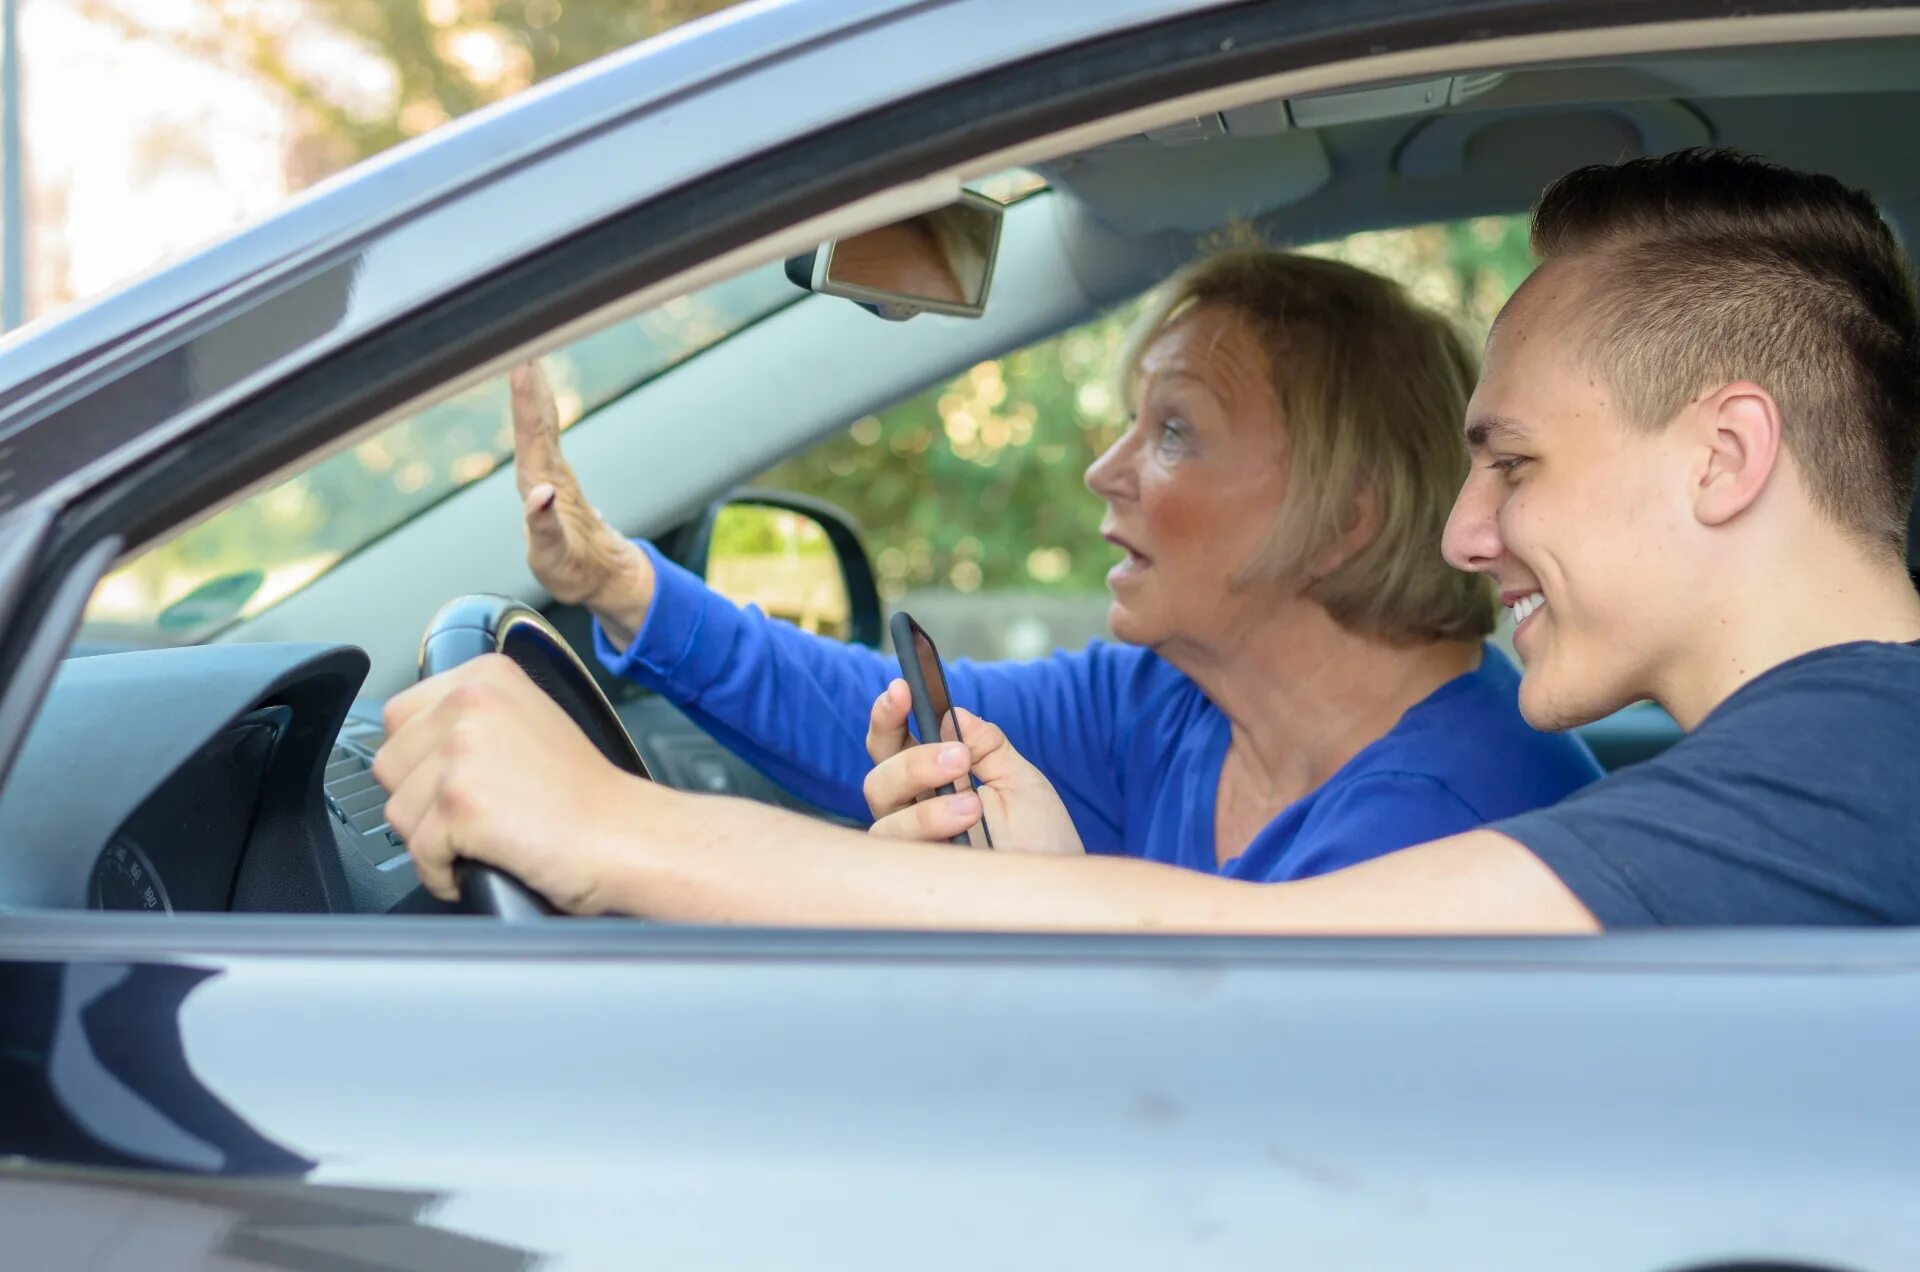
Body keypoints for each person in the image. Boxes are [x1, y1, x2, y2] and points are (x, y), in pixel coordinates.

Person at [376, 148, 1920, 931]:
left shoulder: (1859, 759)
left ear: (1727, 457)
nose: (1469, 532)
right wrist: (1049, 876)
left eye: (1513, 461)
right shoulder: (1827, 762)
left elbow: (1276, 966)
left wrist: (605, 831)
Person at [503, 249, 1597, 884]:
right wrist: (616, 580)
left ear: (1341, 520)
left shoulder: (1441, 826)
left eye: (1175, 432)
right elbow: (871, 711)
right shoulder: (1177, 702)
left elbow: (1211, 1138)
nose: (1104, 473)